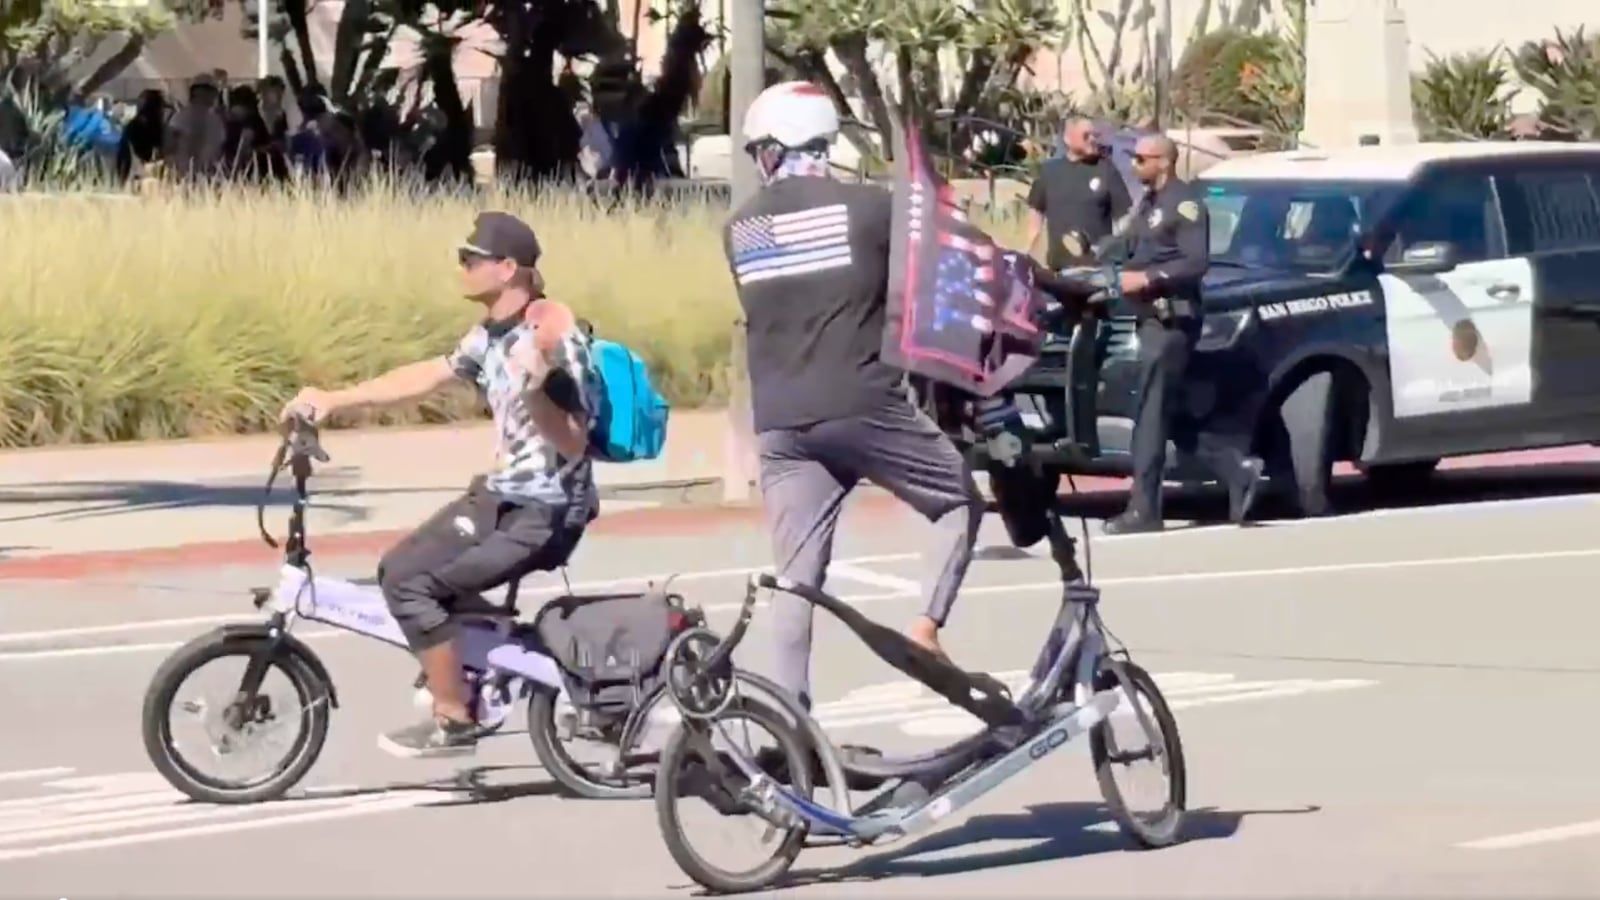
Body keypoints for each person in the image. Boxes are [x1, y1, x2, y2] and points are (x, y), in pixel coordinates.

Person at [280, 212, 602, 757]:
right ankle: (464, 656)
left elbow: (574, 440)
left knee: (414, 586)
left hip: (544, 510)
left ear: (507, 269)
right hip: (504, 495)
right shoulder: (490, 336)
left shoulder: (554, 341)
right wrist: (334, 400)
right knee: (397, 569)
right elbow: (426, 376)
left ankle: (453, 719)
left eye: (471, 259)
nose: (462, 267)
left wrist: (537, 388)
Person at [725, 81, 987, 712]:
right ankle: (925, 628)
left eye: (760, 149)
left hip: (781, 420)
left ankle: (788, 721)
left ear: (775, 148)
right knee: (957, 499)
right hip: (860, 402)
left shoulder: (738, 229)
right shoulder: (871, 209)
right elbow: (941, 271)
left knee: (796, 581)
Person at [1105, 133, 1263, 535]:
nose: (1135, 165)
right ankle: (1234, 468)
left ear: (1164, 161)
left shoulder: (1186, 203)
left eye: (1141, 159)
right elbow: (1132, 248)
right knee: (1167, 415)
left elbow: (1196, 262)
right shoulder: (1150, 204)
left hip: (1172, 321)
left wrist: (1149, 277)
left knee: (1151, 416)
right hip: (1147, 319)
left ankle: (1144, 510)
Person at [1025, 117, 1133, 271]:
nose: (1092, 140)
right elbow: (1035, 212)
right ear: (1067, 138)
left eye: (1095, 135)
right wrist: (1030, 253)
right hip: (1058, 269)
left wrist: (1113, 248)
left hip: (1097, 270)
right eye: (1086, 135)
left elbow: (1124, 219)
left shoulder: (1106, 169)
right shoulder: (1050, 171)